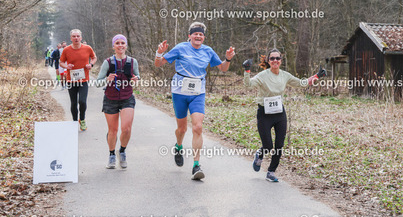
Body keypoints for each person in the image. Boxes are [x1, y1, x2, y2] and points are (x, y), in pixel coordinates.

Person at [155, 21, 235, 180]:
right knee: (182, 129)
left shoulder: (208, 51)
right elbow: (159, 64)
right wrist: (159, 53)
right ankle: (178, 146)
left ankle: (196, 165)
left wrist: (227, 59)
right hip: (179, 92)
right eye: (195, 34)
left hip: (198, 93)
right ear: (189, 36)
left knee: (197, 127)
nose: (198, 36)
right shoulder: (180, 48)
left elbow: (223, 68)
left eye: (201, 34)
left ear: (203, 37)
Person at [243, 49, 326, 182]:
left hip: (279, 113)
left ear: (281, 60)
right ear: (268, 61)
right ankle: (260, 154)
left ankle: (271, 172)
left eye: (277, 58)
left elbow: (301, 83)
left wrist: (317, 76)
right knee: (268, 146)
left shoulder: (285, 75)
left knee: (279, 145)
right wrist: (247, 70)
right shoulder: (262, 76)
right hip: (264, 114)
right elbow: (248, 85)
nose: (275, 61)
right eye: (272, 58)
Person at [96, 35, 140, 169]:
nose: (120, 45)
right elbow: (98, 83)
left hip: (127, 97)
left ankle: (122, 151)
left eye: (122, 43)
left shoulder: (133, 61)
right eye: (117, 43)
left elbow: (137, 76)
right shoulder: (108, 62)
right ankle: (111, 155)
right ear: (113, 46)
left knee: (126, 129)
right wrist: (107, 79)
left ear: (126, 46)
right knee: (113, 130)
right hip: (111, 99)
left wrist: (136, 79)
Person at [60, 30, 97, 131]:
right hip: (71, 80)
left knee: (82, 101)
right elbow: (61, 62)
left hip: (83, 80)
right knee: (73, 103)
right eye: (74, 36)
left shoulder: (87, 48)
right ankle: (74, 121)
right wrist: (66, 66)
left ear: (81, 37)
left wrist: (91, 64)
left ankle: (82, 119)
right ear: (71, 38)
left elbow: (94, 58)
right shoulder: (66, 50)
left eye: (77, 36)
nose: (76, 38)